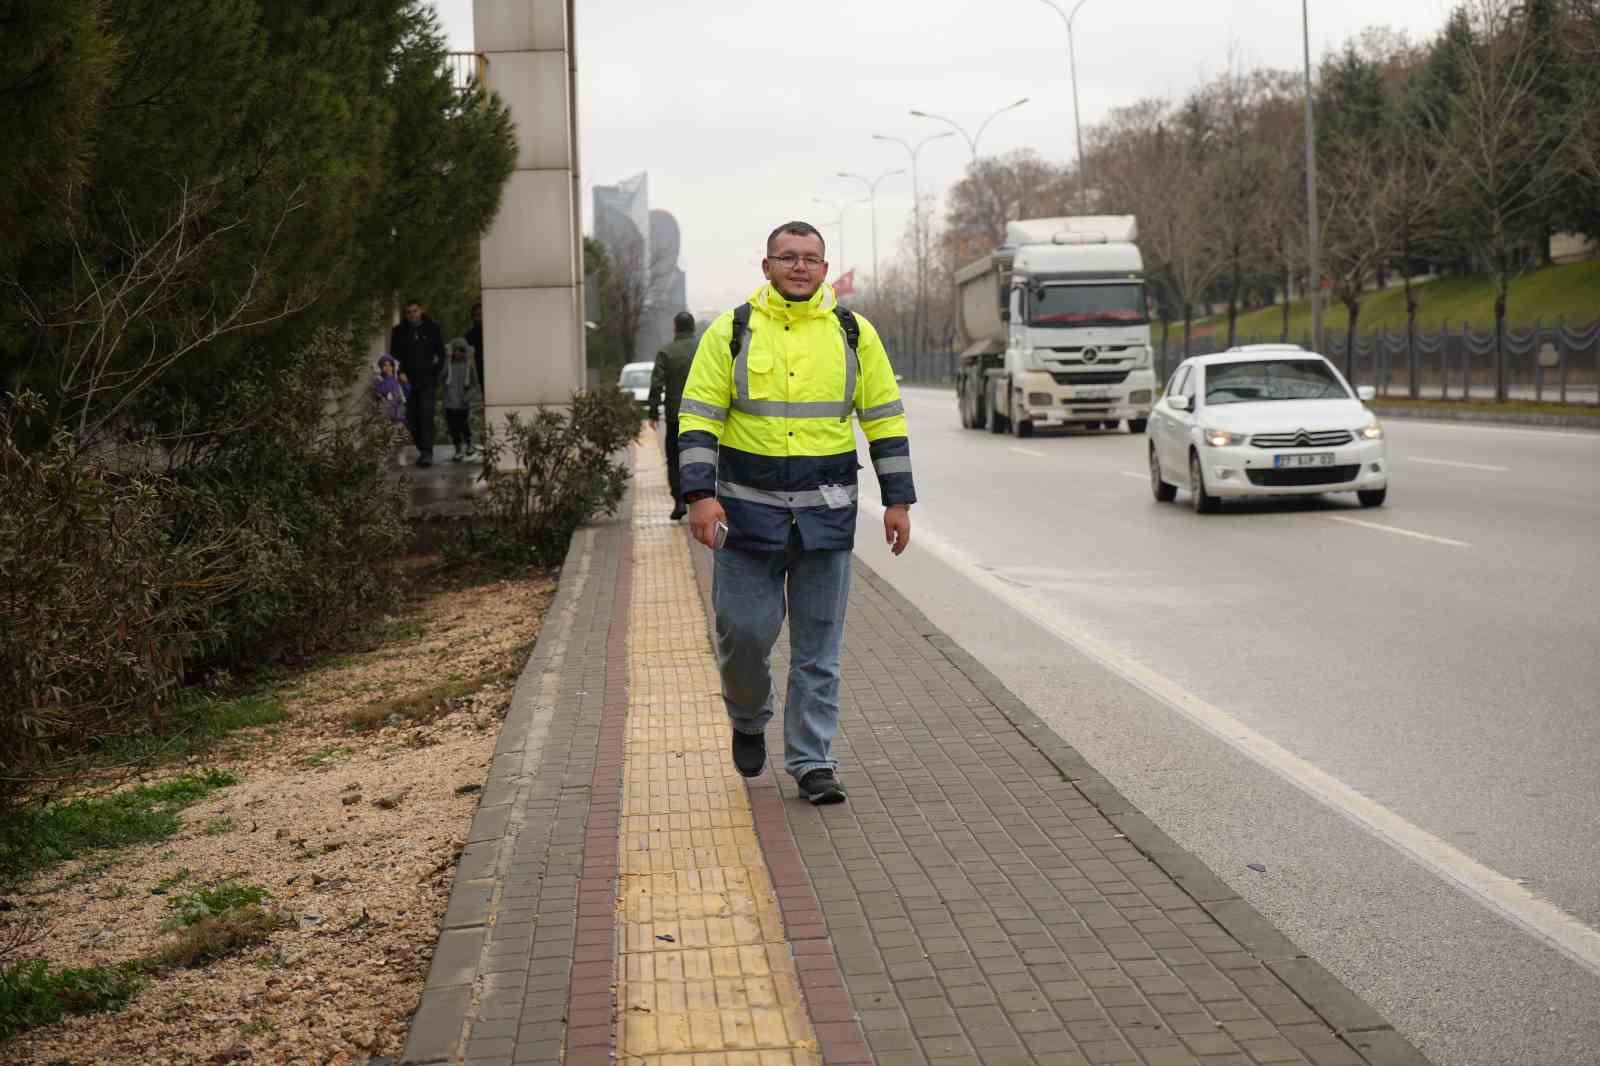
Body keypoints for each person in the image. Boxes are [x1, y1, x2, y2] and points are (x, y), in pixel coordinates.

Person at [677, 221, 915, 805]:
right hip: (745, 519)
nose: (800, 266)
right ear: (767, 267)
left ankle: (813, 761)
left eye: (811, 258)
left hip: (825, 520)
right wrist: (699, 496)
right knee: (744, 635)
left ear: (824, 268)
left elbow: (883, 419)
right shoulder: (731, 332)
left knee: (819, 650)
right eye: (788, 257)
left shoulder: (854, 334)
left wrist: (897, 500)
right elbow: (699, 418)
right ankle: (749, 716)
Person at [648, 310, 699, 521]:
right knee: (700, 455)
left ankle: (678, 500)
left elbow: (656, 384)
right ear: (693, 328)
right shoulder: (703, 348)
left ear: (675, 328)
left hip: (674, 415)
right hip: (701, 414)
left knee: (674, 458)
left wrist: (652, 411)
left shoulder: (666, 352)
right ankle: (699, 499)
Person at [389, 299, 446, 467]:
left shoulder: (433, 328)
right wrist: (400, 373)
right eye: (408, 312)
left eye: (414, 311)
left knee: (426, 415)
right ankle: (422, 449)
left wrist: (433, 370)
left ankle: (427, 452)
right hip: (407, 382)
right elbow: (394, 356)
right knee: (411, 418)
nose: (412, 315)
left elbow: (441, 354)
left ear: (421, 310)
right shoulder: (398, 331)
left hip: (427, 381)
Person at [442, 337, 478, 461]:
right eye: (455, 350)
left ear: (464, 352)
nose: (457, 353)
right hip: (450, 402)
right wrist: (447, 358)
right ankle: (457, 448)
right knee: (453, 428)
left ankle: (469, 443)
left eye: (460, 351)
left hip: (463, 403)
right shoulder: (449, 365)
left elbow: (475, 384)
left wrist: (468, 397)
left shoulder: (469, 366)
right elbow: (442, 376)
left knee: (463, 425)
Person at [372, 355, 406, 426]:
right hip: (385, 414)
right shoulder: (379, 380)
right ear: (380, 367)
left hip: (398, 414)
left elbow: (402, 394)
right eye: (385, 365)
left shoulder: (395, 380)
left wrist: (406, 383)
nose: (388, 368)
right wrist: (389, 377)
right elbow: (384, 389)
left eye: (390, 365)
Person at [464, 301, 485, 404]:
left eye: (480, 315)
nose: (478, 318)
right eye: (475, 315)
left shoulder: (493, 332)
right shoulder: (469, 336)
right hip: (478, 373)